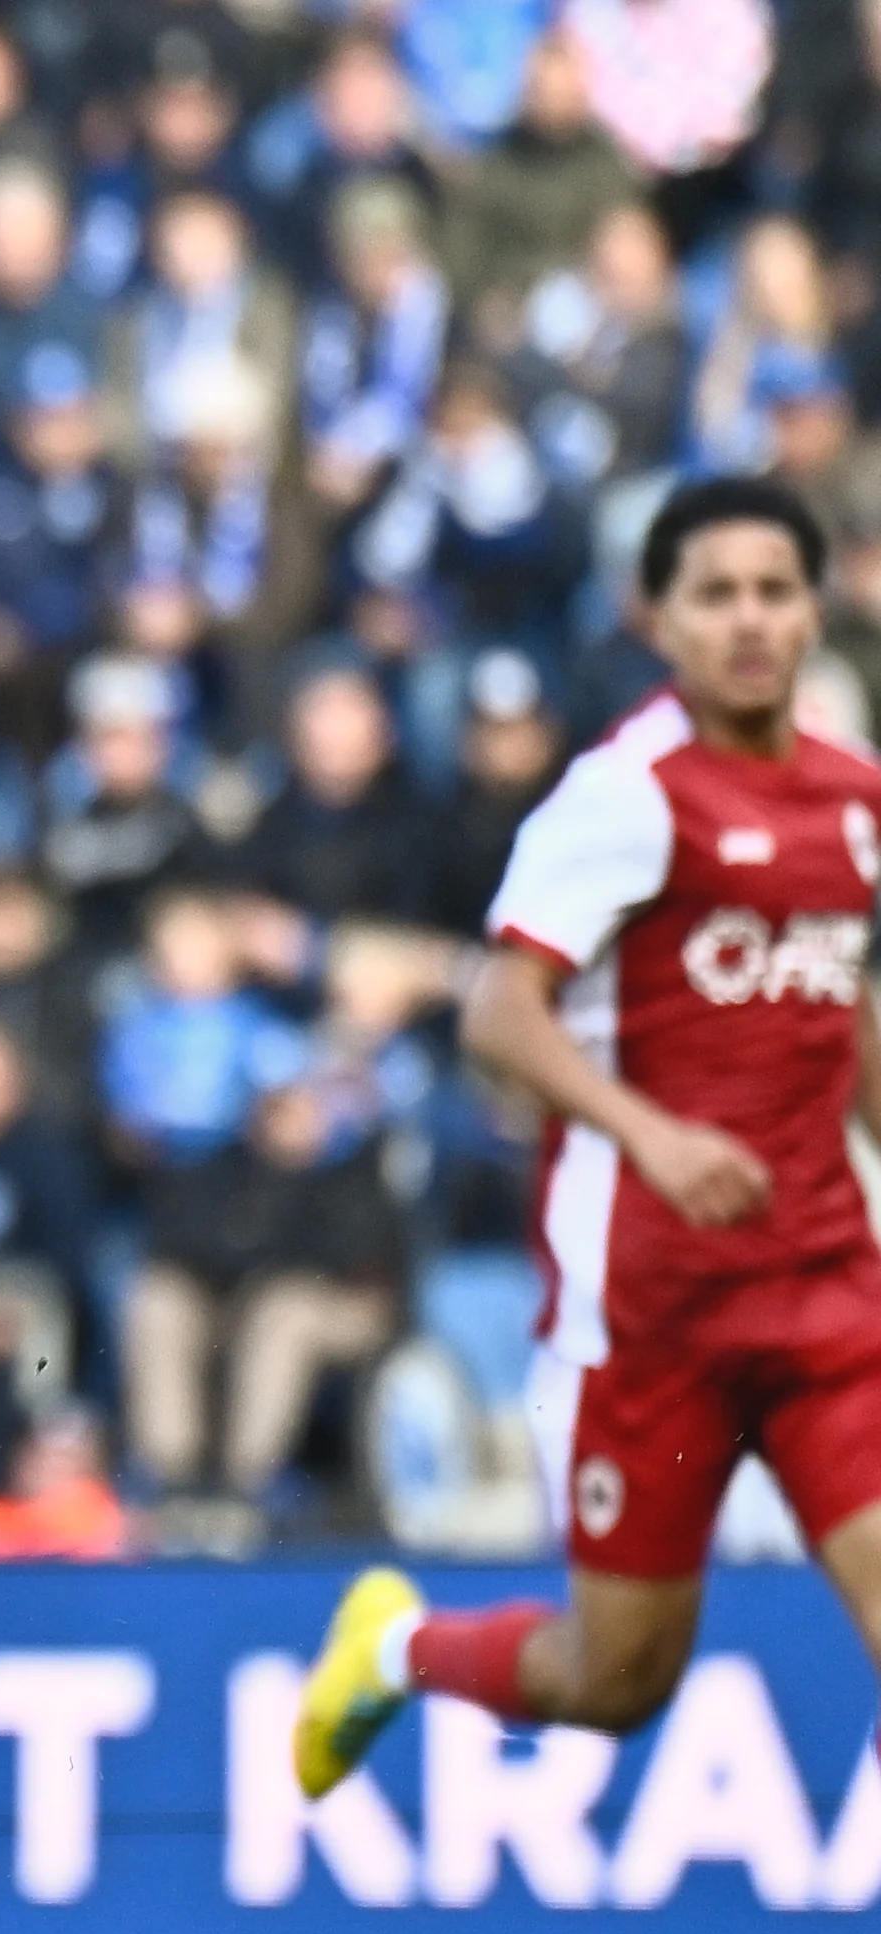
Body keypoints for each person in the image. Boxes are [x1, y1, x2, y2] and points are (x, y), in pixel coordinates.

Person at [299, 475, 881, 1796]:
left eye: (774, 591)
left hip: (828, 1294)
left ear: (816, 608)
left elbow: (839, 1001)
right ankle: (391, 1650)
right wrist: (654, 1137)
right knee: (614, 1681)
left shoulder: (855, 804)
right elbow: (502, 1017)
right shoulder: (624, 797)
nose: (749, 620)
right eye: (715, 593)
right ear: (656, 618)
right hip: (652, 1308)